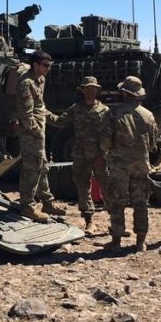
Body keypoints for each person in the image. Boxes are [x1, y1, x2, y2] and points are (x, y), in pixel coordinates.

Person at [100, 76, 158, 253]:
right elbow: (153, 143)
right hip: (141, 164)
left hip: (120, 166)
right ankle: (141, 242)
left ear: (124, 93)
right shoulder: (148, 115)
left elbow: (105, 142)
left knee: (117, 202)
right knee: (141, 203)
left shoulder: (112, 113)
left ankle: (116, 241)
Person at [56, 76, 109, 233]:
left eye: (93, 88)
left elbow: (108, 135)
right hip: (80, 155)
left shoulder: (104, 111)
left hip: (99, 156)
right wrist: (41, 112)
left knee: (107, 187)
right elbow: (60, 122)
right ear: (82, 90)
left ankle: (116, 223)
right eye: (87, 88)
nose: (90, 90)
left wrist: (102, 154)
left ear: (97, 90)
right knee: (83, 187)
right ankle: (89, 221)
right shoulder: (75, 109)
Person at [15, 50, 64, 221]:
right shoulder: (26, 83)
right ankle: (27, 207)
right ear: (35, 65)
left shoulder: (40, 80)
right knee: (32, 168)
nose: (48, 68)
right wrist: (37, 133)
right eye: (45, 65)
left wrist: (54, 119)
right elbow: (26, 115)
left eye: (50, 65)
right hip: (31, 134)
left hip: (39, 131)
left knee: (42, 166)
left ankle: (47, 202)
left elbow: (40, 107)